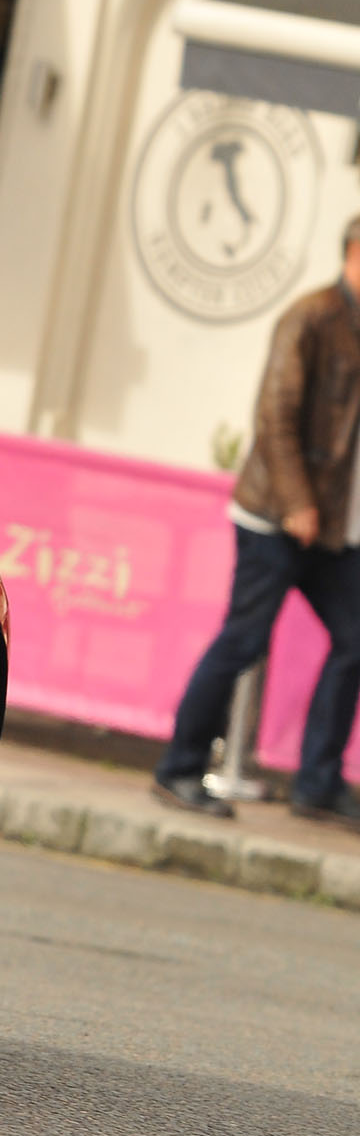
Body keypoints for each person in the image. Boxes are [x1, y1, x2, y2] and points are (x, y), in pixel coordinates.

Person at [152, 216, 360, 830]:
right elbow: (274, 413)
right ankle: (179, 767)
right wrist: (297, 501)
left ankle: (318, 783)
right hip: (278, 516)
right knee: (244, 638)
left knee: (355, 639)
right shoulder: (312, 317)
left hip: (331, 529)